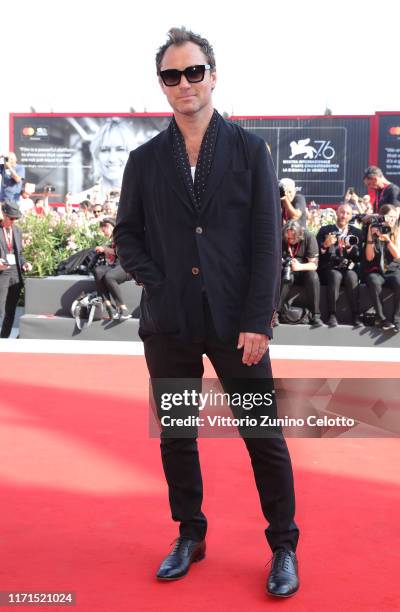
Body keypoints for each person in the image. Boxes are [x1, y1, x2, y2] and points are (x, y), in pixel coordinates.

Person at [114, 27, 299, 598]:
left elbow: (267, 242)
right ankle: (189, 534)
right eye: (172, 75)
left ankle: (284, 545)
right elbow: (127, 234)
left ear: (213, 77)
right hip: (168, 324)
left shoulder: (248, 150)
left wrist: (257, 319)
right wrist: (157, 282)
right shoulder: (145, 161)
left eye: (194, 72)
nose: (185, 83)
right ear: (162, 86)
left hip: (234, 323)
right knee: (177, 434)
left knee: (261, 434)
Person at [317, 203, 363, 327]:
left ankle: (356, 315)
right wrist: (325, 245)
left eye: (347, 213)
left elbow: (360, 256)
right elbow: (316, 254)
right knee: (335, 275)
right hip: (330, 267)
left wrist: (349, 248)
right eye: (342, 212)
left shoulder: (356, 233)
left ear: (351, 216)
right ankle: (332, 314)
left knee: (352, 277)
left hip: (349, 267)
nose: (344, 216)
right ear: (337, 213)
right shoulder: (325, 230)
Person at [277, 220, 323, 328]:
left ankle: (316, 315)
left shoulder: (309, 237)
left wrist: (299, 267)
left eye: (293, 238)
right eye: (288, 238)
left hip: (304, 270)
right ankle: (275, 314)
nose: (291, 240)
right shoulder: (281, 237)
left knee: (313, 277)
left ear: (300, 235)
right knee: (285, 276)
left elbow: (314, 265)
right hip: (287, 270)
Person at [364, 204, 400, 331]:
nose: (392, 220)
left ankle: (397, 319)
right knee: (374, 281)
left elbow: (398, 256)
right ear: (382, 216)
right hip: (375, 270)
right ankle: (381, 318)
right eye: (390, 217)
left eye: (395, 217)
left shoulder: (397, 230)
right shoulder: (373, 229)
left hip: (393, 269)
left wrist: (388, 240)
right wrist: (370, 236)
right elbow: (369, 257)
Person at [0, 200, 32, 337]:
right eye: (12, 218)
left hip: (16, 273)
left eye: (16, 219)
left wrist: (24, 263)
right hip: (2, 273)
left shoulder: (17, 230)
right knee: (0, 309)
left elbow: (19, 254)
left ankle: (4, 339)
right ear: (4, 215)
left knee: (10, 310)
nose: (13, 221)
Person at [92, 218, 132, 320]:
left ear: (109, 226)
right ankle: (109, 307)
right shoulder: (113, 240)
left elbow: (120, 252)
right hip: (116, 266)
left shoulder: (122, 236)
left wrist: (105, 249)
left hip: (127, 267)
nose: (103, 233)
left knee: (109, 276)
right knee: (98, 271)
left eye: (103, 230)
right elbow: (113, 256)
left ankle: (123, 309)